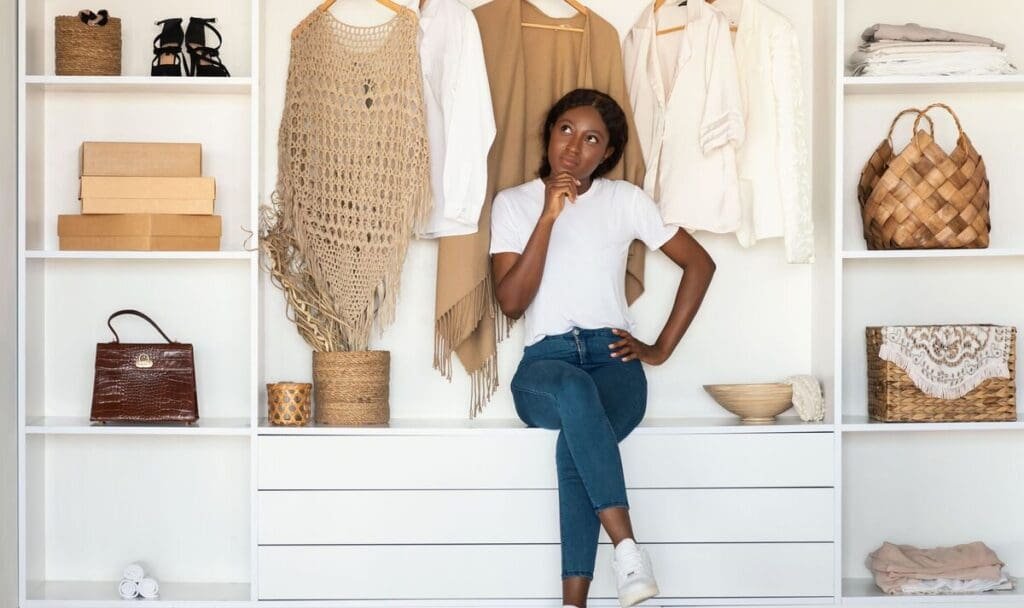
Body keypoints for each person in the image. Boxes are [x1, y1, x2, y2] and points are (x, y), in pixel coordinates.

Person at [489, 88, 717, 608]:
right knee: (572, 392)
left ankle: (575, 604)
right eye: (566, 129)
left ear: (606, 154)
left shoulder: (625, 201)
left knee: (577, 446)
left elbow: (699, 265)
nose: (574, 147)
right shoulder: (514, 204)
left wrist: (658, 349)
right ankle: (628, 548)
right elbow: (512, 303)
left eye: (592, 139)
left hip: (613, 361)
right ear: (549, 133)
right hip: (544, 366)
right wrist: (548, 216)